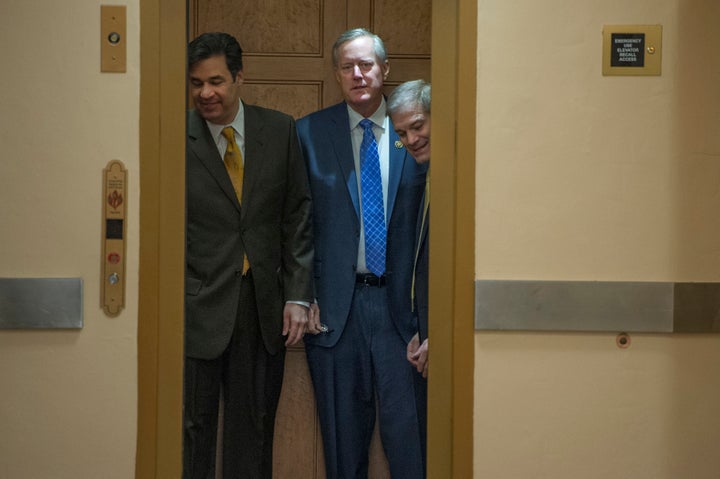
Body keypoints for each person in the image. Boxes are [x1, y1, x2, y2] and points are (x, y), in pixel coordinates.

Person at [184, 32, 317, 479]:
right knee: (190, 431)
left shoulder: (279, 130)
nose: (206, 93)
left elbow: (297, 215)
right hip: (194, 306)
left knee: (253, 430)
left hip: (259, 308)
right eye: (197, 83)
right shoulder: (174, 135)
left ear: (240, 77)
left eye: (217, 80)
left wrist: (298, 295)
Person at [296, 28, 427, 478]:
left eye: (366, 65)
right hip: (334, 313)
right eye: (347, 66)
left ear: (384, 70)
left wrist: (430, 322)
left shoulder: (416, 132)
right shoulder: (309, 134)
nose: (357, 74)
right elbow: (296, 226)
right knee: (343, 452)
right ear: (336, 74)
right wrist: (301, 294)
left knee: (411, 450)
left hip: (402, 317)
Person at [387, 79, 432, 465]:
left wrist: (441, 333)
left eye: (418, 126)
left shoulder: (458, 176)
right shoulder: (425, 174)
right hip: (421, 336)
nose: (412, 139)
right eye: (402, 133)